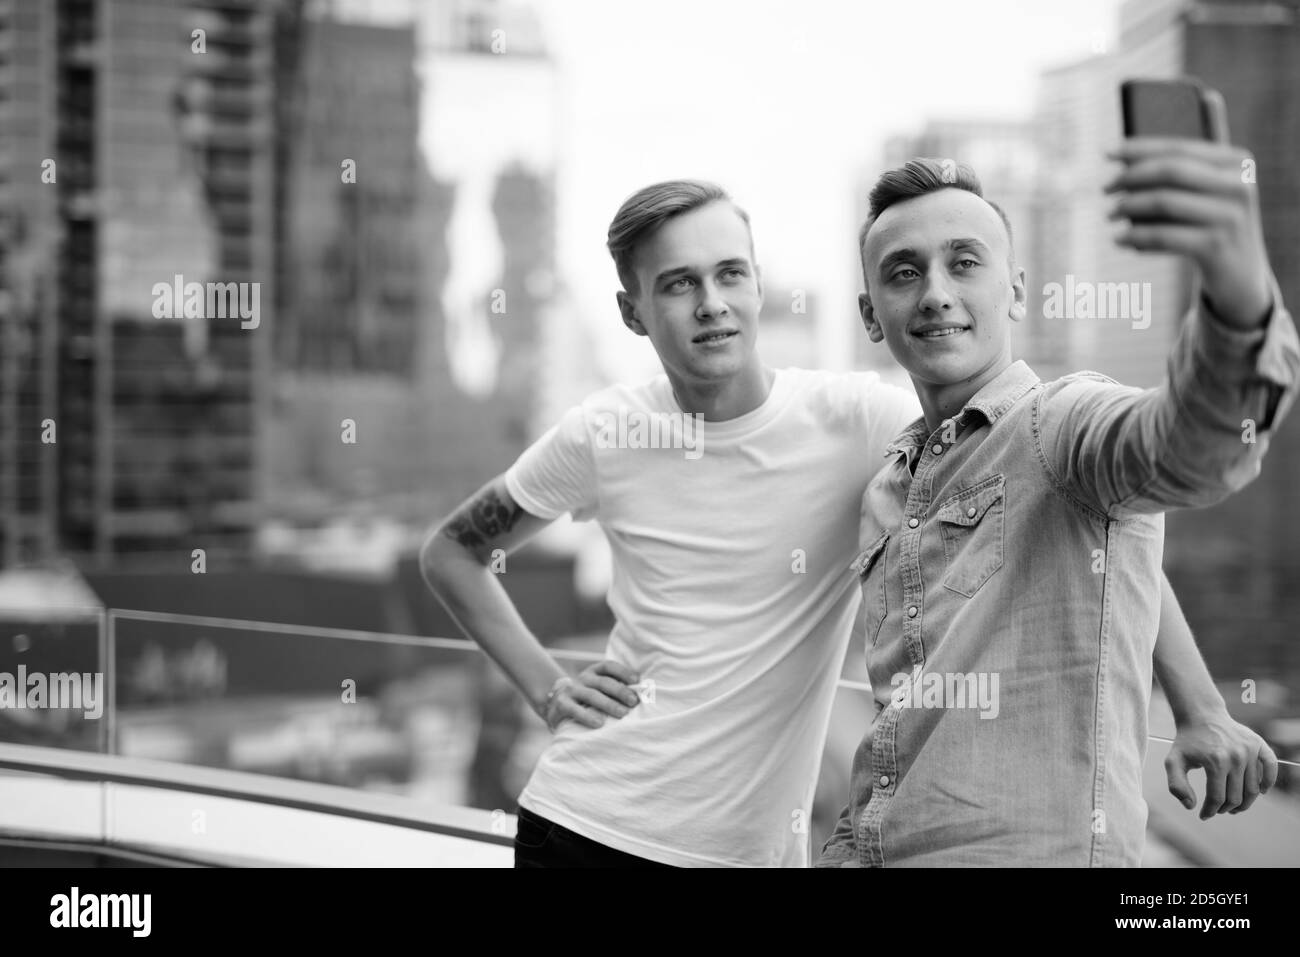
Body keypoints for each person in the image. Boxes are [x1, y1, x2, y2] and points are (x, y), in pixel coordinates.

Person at [421, 179, 1277, 868]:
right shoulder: (604, 431)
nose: (712, 303)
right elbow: (455, 551)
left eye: (730, 273)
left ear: (760, 284)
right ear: (633, 311)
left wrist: (1199, 704)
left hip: (752, 850)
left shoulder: (862, 422)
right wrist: (543, 683)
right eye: (678, 284)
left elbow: (1098, 513)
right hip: (582, 819)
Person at [819, 133, 1298, 866]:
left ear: (1014, 289)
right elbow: (1107, 555)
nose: (937, 291)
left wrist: (1236, 291)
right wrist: (1200, 702)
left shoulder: (1063, 423)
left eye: (965, 262)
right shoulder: (888, 484)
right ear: (870, 313)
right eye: (904, 272)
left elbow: (1187, 445)